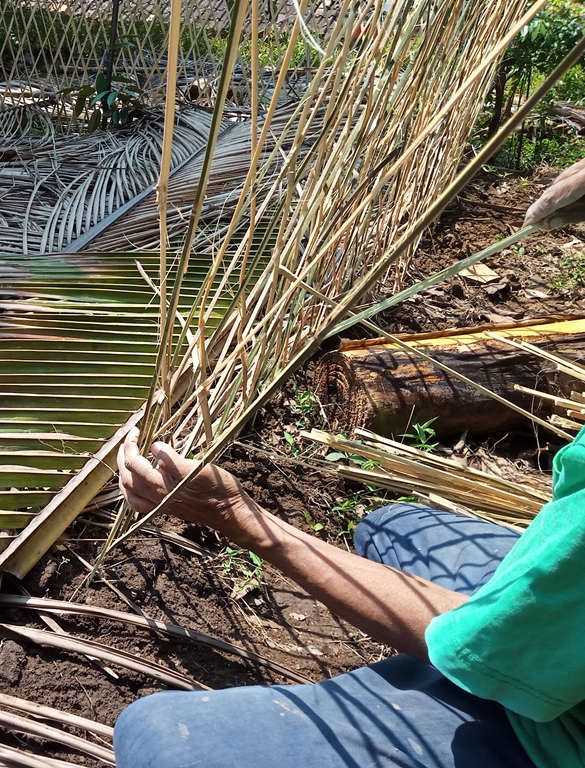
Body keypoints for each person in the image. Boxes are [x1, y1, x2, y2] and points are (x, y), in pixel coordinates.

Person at [112, 169, 585, 768]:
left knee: (157, 734)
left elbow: (478, 648)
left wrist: (237, 517)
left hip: (556, 731)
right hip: (564, 614)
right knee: (390, 525)